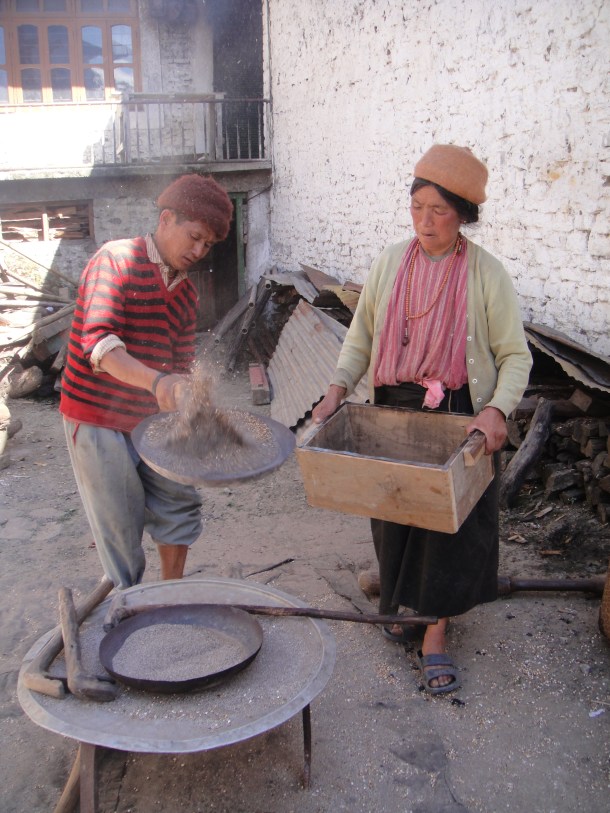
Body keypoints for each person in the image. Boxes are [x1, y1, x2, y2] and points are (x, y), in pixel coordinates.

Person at [312, 144, 532, 694]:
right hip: (391, 405)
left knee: (445, 527)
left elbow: (515, 355)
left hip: (458, 414)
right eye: (417, 207)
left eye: (440, 211)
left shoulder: (486, 274)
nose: (426, 222)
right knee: (390, 511)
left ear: (463, 216)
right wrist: (337, 388)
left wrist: (496, 409)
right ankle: (398, 597)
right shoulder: (390, 263)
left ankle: (435, 633)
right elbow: (360, 336)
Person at [60, 174, 233, 590]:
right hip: (98, 417)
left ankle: (168, 596)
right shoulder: (114, 260)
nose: (198, 250)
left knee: (180, 501)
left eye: (208, 245)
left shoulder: (186, 294)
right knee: (121, 523)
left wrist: (196, 407)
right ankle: (130, 605)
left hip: (150, 421)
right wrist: (158, 384)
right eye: (194, 237)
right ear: (166, 219)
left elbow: (182, 365)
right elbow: (100, 345)